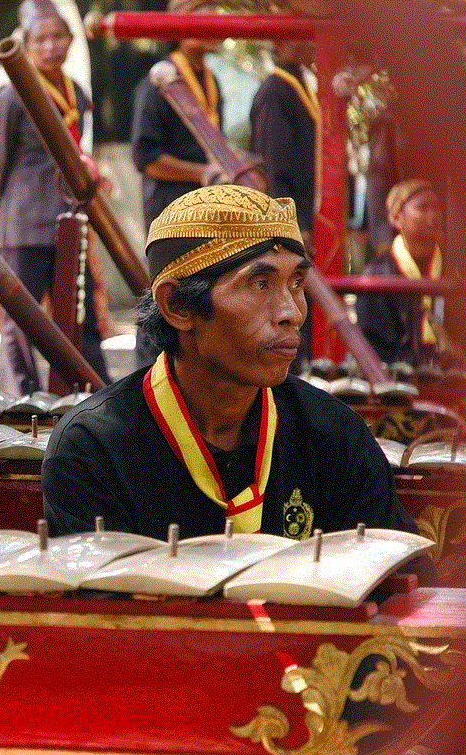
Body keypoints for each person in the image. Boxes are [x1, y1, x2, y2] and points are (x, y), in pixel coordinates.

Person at [42, 184, 413, 540]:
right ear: (177, 305)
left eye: (297, 283)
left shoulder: (334, 435)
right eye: (261, 284)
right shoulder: (93, 449)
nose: (292, 313)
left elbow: (399, 583)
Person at [0, 0, 110, 396]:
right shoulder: (10, 97)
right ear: (27, 43)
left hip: (70, 221)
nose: (51, 46)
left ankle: (93, 389)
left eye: (59, 37)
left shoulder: (79, 93)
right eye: (42, 39)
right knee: (20, 318)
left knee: (78, 312)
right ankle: (26, 398)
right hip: (22, 223)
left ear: (71, 40)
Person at [130, 0, 223, 231]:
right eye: (203, 19)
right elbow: (147, 159)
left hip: (209, 209)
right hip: (171, 214)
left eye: (216, 19)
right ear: (178, 26)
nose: (214, 26)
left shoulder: (212, 82)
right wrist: (204, 173)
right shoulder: (157, 82)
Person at [355, 178, 444, 367]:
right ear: (396, 218)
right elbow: (376, 346)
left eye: (436, 208)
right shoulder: (377, 274)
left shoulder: (452, 268)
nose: (433, 216)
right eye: (422, 208)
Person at [249, 39, 317, 241]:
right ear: (279, 44)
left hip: (307, 212)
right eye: (301, 38)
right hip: (292, 221)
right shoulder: (275, 91)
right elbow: (275, 165)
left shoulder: (298, 84)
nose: (310, 44)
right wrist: (294, 223)